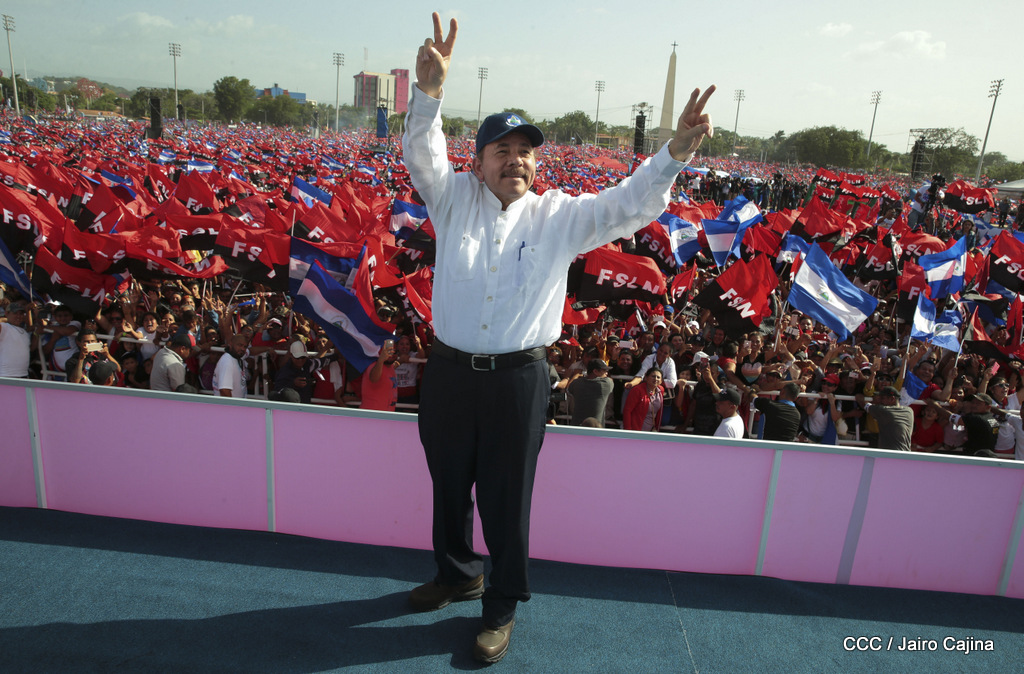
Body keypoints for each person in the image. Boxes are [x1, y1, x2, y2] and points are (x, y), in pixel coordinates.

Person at [402, 12, 714, 664]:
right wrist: (428, 94)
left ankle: (500, 606)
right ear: (477, 164)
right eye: (501, 150)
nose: (515, 159)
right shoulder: (451, 200)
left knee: (506, 499)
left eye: (525, 151)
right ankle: (457, 573)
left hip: (518, 379)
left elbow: (630, 202)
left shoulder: (561, 217)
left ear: (536, 164)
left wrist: (675, 151)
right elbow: (422, 155)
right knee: (448, 483)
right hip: (450, 372)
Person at [859, 386, 914, 451]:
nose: (880, 400)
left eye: (882, 398)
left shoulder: (885, 411)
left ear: (892, 399)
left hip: (890, 454)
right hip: (906, 453)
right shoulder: (909, 411)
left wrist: (859, 396)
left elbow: (863, 404)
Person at [567, 358, 614, 427]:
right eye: (604, 371)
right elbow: (610, 380)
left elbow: (569, 388)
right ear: (595, 371)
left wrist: (576, 375)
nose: (606, 373)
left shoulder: (576, 383)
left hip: (577, 427)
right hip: (596, 428)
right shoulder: (606, 384)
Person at [0, 300, 40, 378]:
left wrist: (36, 334)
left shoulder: (24, 332)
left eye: (21, 313)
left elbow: (31, 348)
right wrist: (5, 319)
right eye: (15, 313)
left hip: (23, 375)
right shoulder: (4, 327)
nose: (19, 316)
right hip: (5, 375)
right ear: (7, 313)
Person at [623, 368, 665, 432]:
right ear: (646, 377)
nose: (655, 379)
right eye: (653, 376)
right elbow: (627, 411)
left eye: (658, 377)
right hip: (635, 430)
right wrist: (628, 430)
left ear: (661, 381)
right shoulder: (637, 390)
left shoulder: (661, 390)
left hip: (650, 431)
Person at [212, 333, 249, 398]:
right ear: (231, 344)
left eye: (245, 347)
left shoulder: (238, 356)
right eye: (240, 345)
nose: (243, 349)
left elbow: (250, 351)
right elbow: (224, 391)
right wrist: (233, 405)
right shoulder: (227, 362)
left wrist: (267, 349)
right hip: (232, 404)